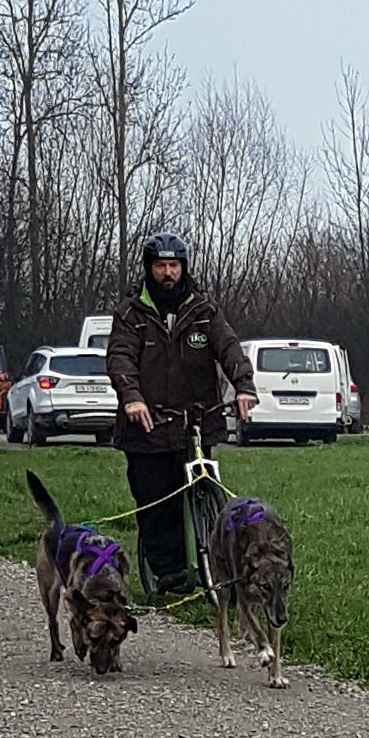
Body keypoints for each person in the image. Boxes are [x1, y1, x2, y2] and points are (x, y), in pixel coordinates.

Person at [105, 232, 258, 595]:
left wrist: (244, 386)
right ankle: (169, 573)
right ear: (149, 269)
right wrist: (132, 398)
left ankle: (217, 567)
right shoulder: (130, 313)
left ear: (184, 268)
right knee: (158, 502)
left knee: (210, 494)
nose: (168, 273)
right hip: (149, 426)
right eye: (161, 266)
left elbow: (229, 348)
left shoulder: (204, 310)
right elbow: (120, 358)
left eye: (174, 265)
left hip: (197, 420)